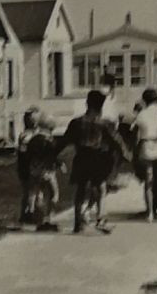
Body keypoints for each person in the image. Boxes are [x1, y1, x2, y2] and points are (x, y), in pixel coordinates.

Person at [55, 89, 128, 234]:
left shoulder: (76, 122)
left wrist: (53, 153)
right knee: (101, 188)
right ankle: (100, 219)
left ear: (87, 103)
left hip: (81, 158)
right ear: (101, 106)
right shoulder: (105, 124)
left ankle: (77, 223)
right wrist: (124, 156)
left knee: (81, 190)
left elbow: (64, 141)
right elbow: (117, 142)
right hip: (99, 159)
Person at [132, 88, 157, 220]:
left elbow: (135, 130)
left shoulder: (141, 114)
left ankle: (150, 213)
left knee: (149, 180)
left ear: (144, 100)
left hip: (147, 144)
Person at [23, 113, 63, 231]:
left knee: (38, 194)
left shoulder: (33, 139)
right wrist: (59, 164)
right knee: (54, 194)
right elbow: (53, 155)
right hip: (47, 171)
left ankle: (38, 217)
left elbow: (27, 155)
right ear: (51, 128)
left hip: (34, 170)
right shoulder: (49, 140)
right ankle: (48, 218)